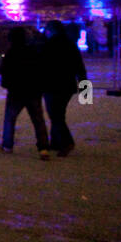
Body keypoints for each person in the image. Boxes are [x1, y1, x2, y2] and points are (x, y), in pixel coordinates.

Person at [0, 26, 50, 159]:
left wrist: (7, 84)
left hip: (16, 91)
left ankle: (7, 145)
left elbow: (5, 71)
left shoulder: (11, 53)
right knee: (38, 120)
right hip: (33, 90)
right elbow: (41, 69)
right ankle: (43, 147)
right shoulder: (33, 52)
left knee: (10, 119)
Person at [41, 20, 87, 157]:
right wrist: (85, 92)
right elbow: (80, 67)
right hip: (67, 86)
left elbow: (41, 67)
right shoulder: (70, 45)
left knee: (55, 115)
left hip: (51, 85)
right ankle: (56, 143)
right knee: (59, 114)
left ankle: (66, 142)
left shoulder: (48, 45)